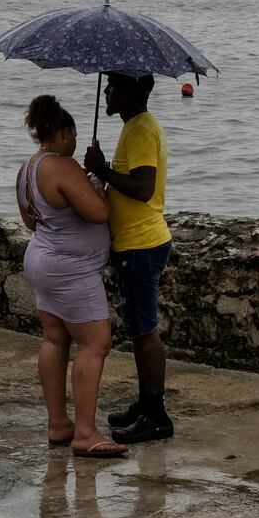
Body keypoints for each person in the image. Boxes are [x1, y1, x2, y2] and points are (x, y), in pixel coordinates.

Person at [15, 94, 127, 459]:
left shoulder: (27, 169)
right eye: (74, 136)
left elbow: (30, 221)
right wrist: (96, 184)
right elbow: (98, 213)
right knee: (96, 342)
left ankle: (57, 423)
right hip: (71, 268)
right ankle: (84, 433)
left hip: (42, 259)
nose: (75, 143)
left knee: (55, 338)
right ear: (63, 133)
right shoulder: (62, 167)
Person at [83, 72, 174, 444]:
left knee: (144, 332)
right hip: (137, 241)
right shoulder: (136, 125)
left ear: (134, 91)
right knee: (140, 330)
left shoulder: (139, 130)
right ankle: (146, 403)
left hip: (140, 243)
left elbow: (143, 187)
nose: (107, 91)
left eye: (114, 85)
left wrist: (102, 169)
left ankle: (156, 416)